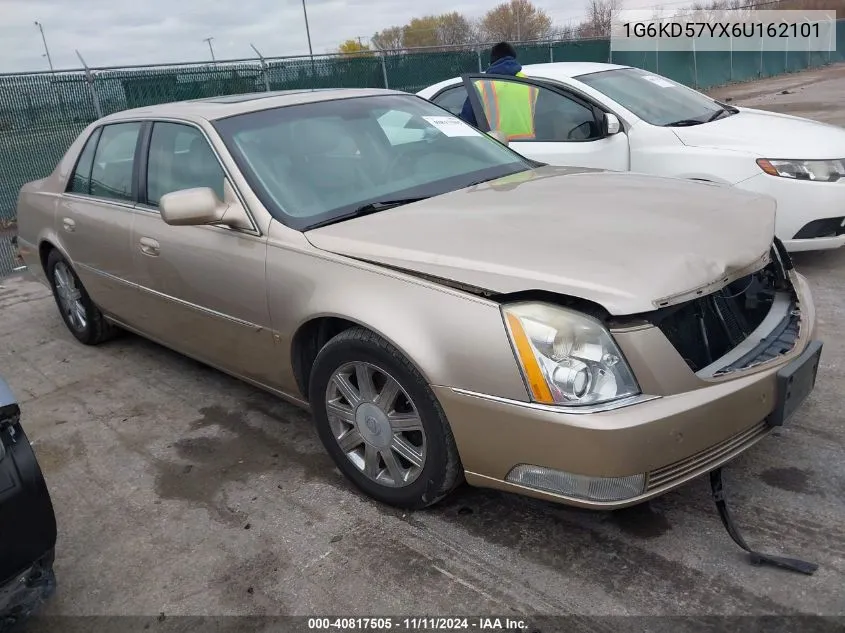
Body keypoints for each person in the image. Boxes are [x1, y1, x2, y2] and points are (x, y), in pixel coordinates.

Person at [458, 41, 538, 141]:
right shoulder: (531, 85)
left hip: (496, 150)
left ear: (492, 61)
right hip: (530, 147)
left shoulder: (480, 86)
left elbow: (467, 124)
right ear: (514, 58)